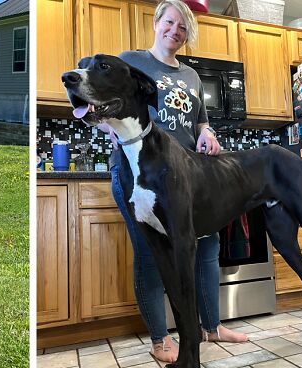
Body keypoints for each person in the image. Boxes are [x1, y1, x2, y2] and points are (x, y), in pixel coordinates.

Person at [108, 0, 248, 363]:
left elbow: (199, 121)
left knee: (207, 249)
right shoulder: (132, 61)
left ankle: (211, 327)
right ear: (156, 23)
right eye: (170, 22)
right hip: (140, 175)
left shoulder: (191, 75)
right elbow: (104, 98)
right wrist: (110, 125)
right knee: (151, 255)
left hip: (189, 174)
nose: (175, 31)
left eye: (183, 27)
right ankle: (160, 339)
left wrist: (207, 133)